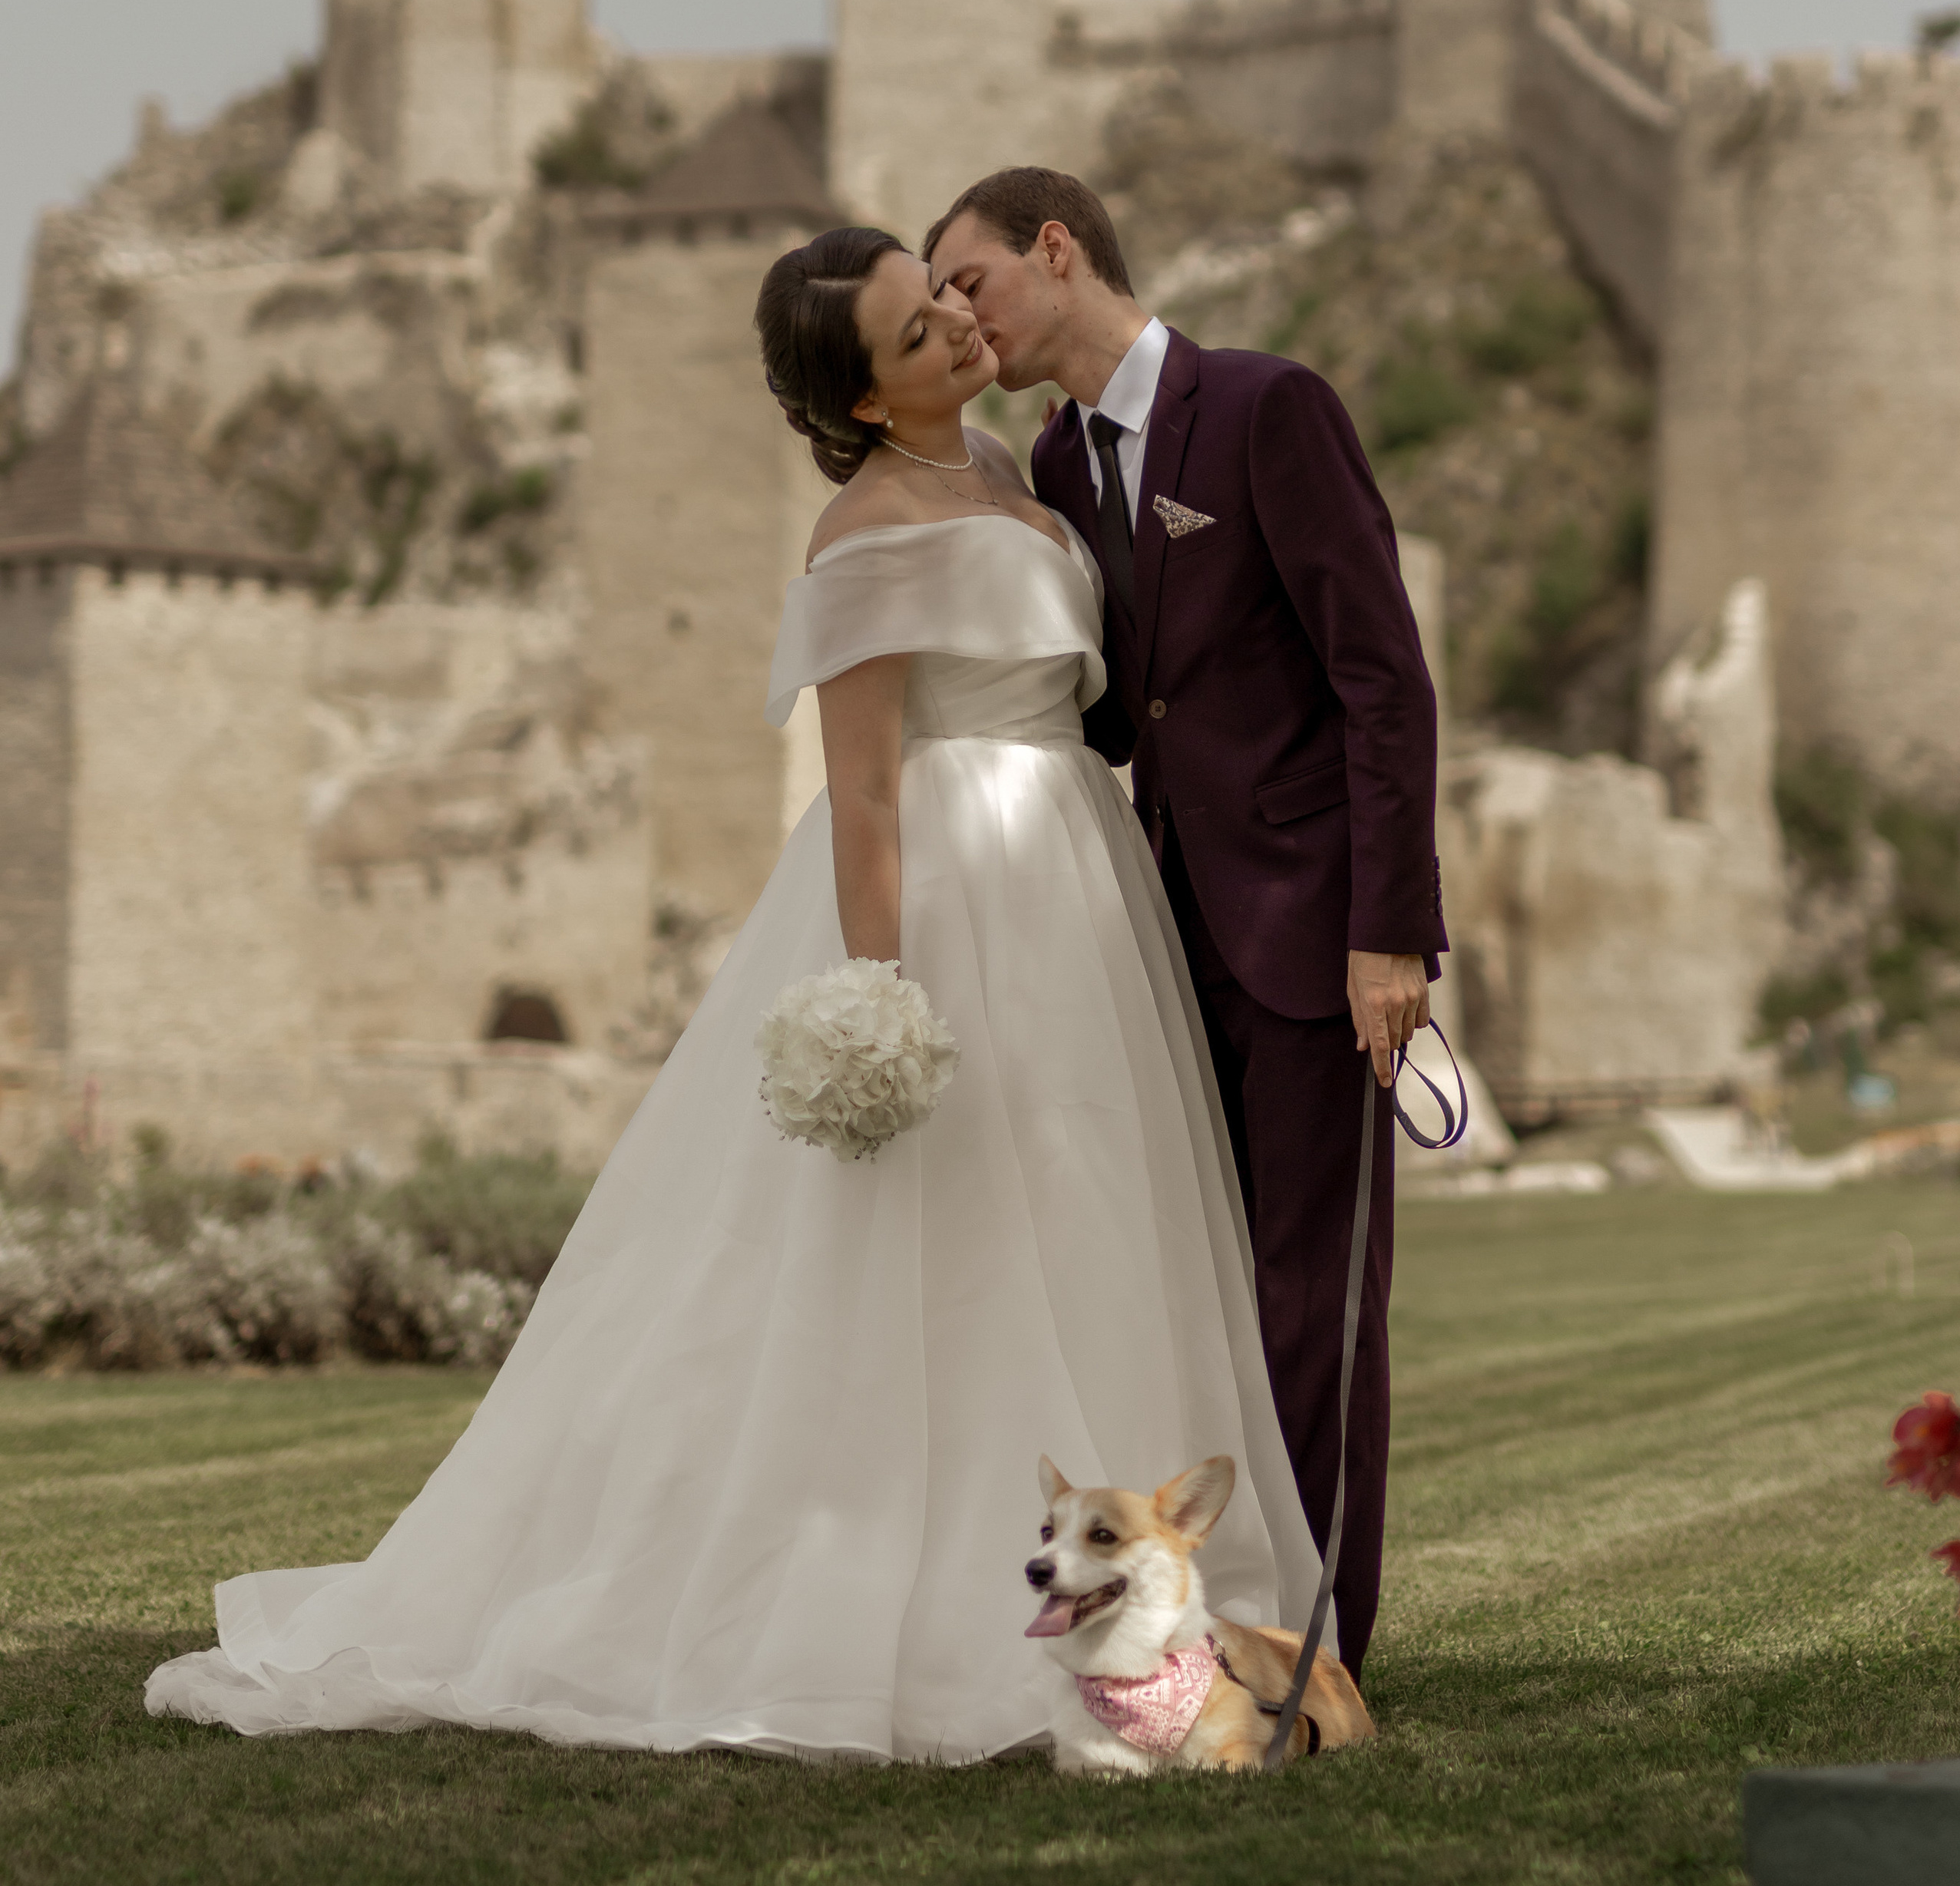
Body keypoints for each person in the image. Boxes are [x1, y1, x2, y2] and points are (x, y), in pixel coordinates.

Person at [146, 226, 1317, 1762]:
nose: (956, 334)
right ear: (859, 397)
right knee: (939, 1248)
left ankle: (1150, 1613)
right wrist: (884, 996)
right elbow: (864, 800)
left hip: (1075, 894)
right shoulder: (868, 533)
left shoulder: (1020, 484)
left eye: (945, 304)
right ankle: (897, 1599)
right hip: (958, 891)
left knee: (1091, 1208)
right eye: (913, 339)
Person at [926, 170, 1445, 1680]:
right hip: (1153, 953)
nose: (959, 317)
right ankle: (1210, 1623)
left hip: (1313, 947)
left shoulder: (1268, 409)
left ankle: (1319, 1653)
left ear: (1055, 247)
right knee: (1199, 1302)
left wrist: (1388, 932)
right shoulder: (1055, 459)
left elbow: (1382, 680)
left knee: (1311, 1311)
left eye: (969, 283)